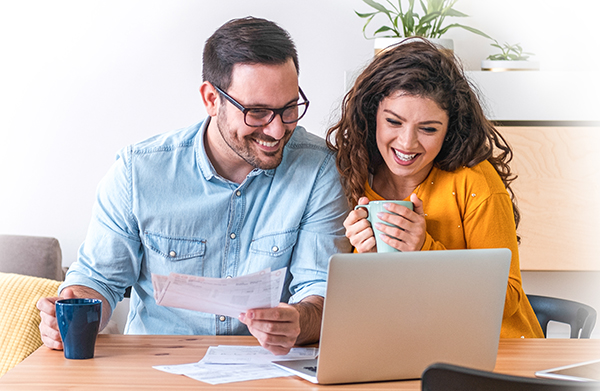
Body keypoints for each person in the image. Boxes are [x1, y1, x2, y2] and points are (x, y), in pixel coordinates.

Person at [37, 16, 351, 355]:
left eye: (289, 109)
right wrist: (70, 312)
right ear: (211, 99)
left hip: (270, 370)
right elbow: (98, 280)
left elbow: (319, 291)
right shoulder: (138, 172)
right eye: (257, 112)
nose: (276, 131)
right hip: (156, 368)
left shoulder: (319, 168)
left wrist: (299, 320)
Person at [326, 39, 543, 338]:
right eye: (393, 121)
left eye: (428, 129)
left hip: (495, 352)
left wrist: (424, 250)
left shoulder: (474, 182)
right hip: (411, 348)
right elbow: (368, 312)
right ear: (371, 113)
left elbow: (505, 299)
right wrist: (366, 260)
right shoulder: (354, 176)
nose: (406, 143)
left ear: (449, 129)